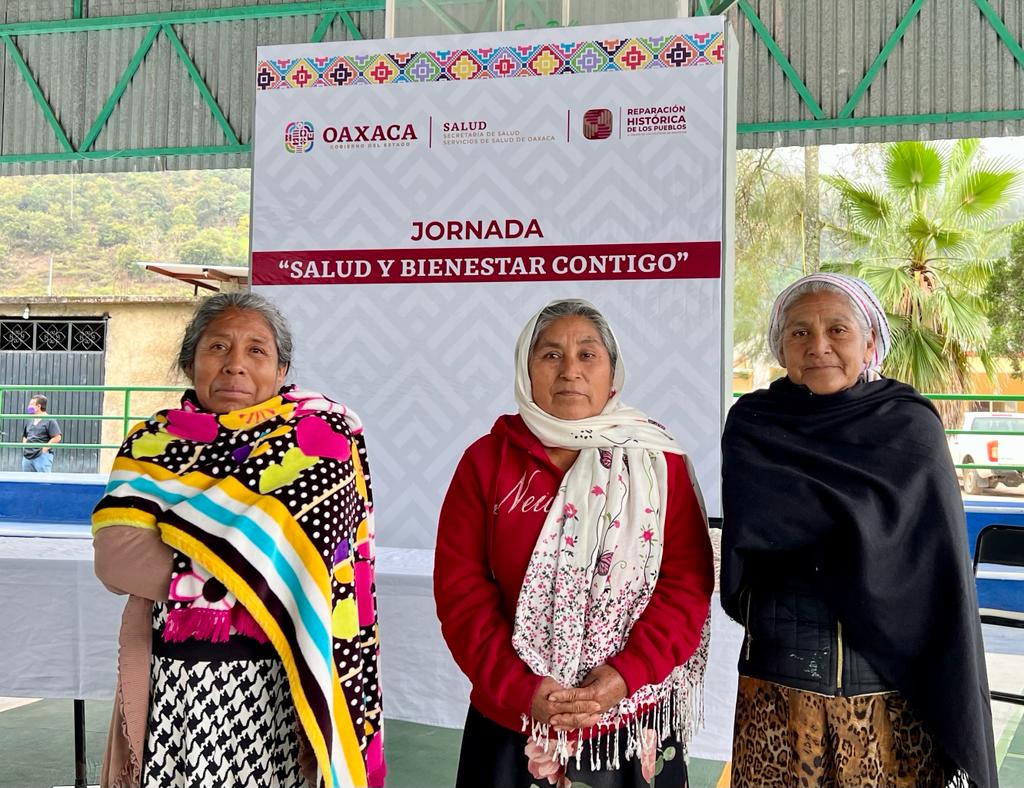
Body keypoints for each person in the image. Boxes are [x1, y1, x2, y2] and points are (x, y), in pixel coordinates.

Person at [91, 291, 384, 788]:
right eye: (218, 348)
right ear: (190, 362)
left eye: (256, 351)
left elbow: (322, 561)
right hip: (177, 679)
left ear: (282, 368)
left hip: (282, 675)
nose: (235, 366)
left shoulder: (322, 440)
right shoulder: (152, 443)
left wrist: (188, 559)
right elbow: (117, 561)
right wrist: (250, 568)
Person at [721, 272, 996, 788]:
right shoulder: (754, 423)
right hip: (781, 681)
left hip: (892, 688)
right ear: (779, 347)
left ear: (870, 341)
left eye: (838, 330)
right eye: (799, 332)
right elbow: (753, 542)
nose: (818, 346)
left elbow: (935, 567)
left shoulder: (910, 425)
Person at [435, 298, 714, 788]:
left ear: (613, 373)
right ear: (527, 369)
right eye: (550, 355)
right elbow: (462, 593)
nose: (570, 371)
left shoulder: (656, 461)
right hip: (515, 717)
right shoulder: (486, 462)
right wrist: (523, 689)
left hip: (633, 717)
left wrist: (626, 675)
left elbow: (685, 587)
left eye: (588, 355)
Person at [21, 394, 61, 472]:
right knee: (27, 482)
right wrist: (24, 447)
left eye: (31, 404)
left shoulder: (50, 420)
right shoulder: (30, 420)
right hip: (27, 457)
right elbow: (25, 435)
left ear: (39, 406)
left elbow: (57, 437)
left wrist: (44, 449)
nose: (29, 406)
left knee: (43, 482)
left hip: (41, 457)